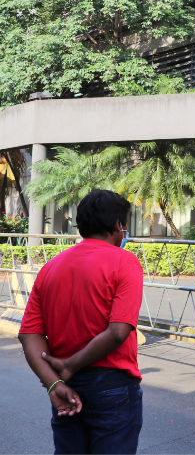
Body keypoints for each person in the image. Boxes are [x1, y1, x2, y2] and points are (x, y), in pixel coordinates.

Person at [19, 189, 143, 454]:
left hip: (65, 386)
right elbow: (118, 332)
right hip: (112, 384)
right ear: (118, 225)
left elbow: (28, 334)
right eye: (125, 226)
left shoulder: (50, 267)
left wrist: (54, 383)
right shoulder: (124, 261)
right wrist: (69, 366)